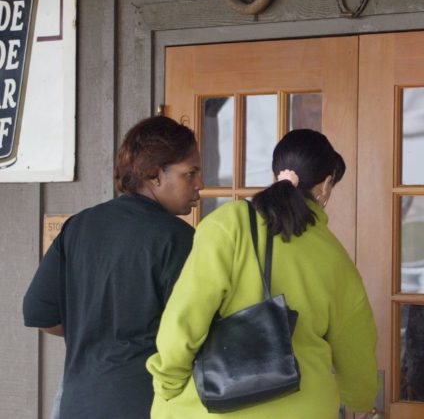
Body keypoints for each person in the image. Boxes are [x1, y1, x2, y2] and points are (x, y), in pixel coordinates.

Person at [147, 129, 378, 419]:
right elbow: (356, 351)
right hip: (306, 408)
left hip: (215, 405)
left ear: (276, 172)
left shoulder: (229, 224)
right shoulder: (335, 256)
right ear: (326, 184)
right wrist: (360, 399)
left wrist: (167, 384)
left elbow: (186, 316)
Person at [22, 116, 203, 419]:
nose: (200, 184)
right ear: (155, 175)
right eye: (191, 173)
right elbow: (194, 334)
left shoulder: (78, 226)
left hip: (76, 403)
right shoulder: (178, 238)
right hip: (146, 404)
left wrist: (93, 330)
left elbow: (39, 312)